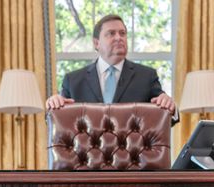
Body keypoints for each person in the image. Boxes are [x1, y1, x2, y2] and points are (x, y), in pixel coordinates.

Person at [45, 14, 176, 116]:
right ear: (96, 43)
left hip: (133, 150)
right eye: (111, 33)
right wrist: (54, 104)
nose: (119, 37)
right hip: (88, 150)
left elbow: (165, 116)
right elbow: (58, 120)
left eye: (122, 33)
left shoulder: (147, 77)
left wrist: (170, 106)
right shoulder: (73, 81)